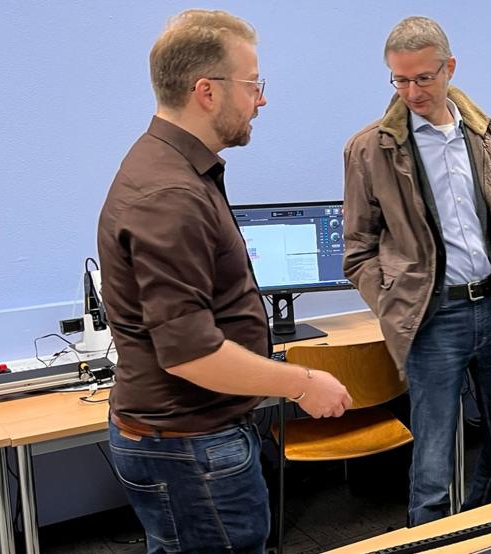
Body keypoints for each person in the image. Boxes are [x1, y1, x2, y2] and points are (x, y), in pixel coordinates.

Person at [97, 10, 351, 552]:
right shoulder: (171, 195)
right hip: (190, 447)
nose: (262, 100)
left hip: (188, 440)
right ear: (207, 91)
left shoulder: (173, 169)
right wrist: (303, 383)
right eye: (253, 84)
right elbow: (190, 353)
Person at [342, 16, 491, 526]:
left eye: (423, 78)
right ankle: (429, 540)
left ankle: (484, 532)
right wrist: (394, 302)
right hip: (432, 319)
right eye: (400, 80)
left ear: (449, 68)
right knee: (433, 465)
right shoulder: (371, 149)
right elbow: (358, 250)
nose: (412, 92)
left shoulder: (488, 136)